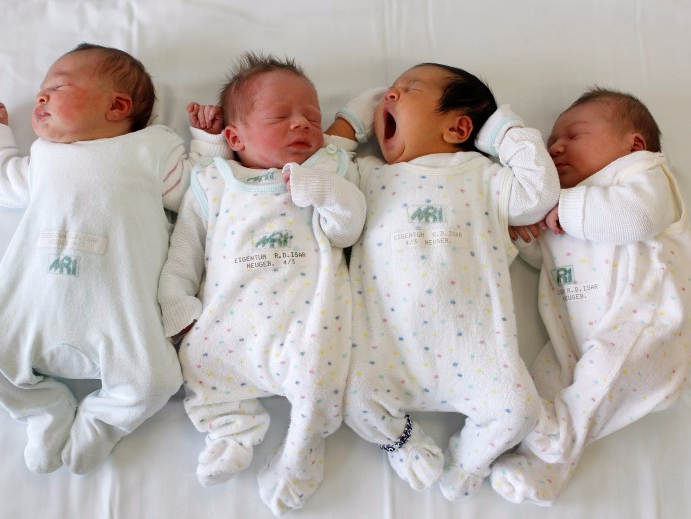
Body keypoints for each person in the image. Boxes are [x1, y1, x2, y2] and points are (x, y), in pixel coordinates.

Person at [326, 63, 560, 499]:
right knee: (349, 397)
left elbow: (540, 193)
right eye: (389, 91)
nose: (389, 95)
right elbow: (321, 175)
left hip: (474, 352)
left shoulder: (481, 175)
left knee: (520, 411)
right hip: (385, 350)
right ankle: (403, 443)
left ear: (458, 127)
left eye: (409, 89)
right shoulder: (369, 174)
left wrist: (502, 132)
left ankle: (470, 458)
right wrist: (348, 123)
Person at [0, 43, 229, 475]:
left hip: (118, 318)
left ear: (117, 105)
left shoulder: (150, 150)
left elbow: (202, 195)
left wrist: (209, 142)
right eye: (40, 91)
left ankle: (101, 421)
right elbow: (4, 180)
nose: (40, 98)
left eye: (57, 87)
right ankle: (44, 410)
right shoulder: (44, 159)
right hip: (31, 312)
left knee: (156, 381)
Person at [157, 52, 366, 517]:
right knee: (199, 366)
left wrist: (324, 192)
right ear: (234, 137)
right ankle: (231, 428)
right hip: (228, 321)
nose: (303, 125)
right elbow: (182, 257)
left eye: (312, 117)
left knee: (325, 381)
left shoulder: (328, 173)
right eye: (281, 117)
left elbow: (348, 229)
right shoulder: (213, 183)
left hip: (305, 326)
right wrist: (180, 312)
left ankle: (302, 452)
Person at [491, 88, 691, 505]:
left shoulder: (642, 176)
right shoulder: (565, 206)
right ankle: (541, 472)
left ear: (633, 144)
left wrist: (560, 209)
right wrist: (527, 234)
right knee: (541, 388)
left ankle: (554, 440)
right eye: (551, 141)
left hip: (647, 328)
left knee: (587, 390)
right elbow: (544, 255)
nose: (556, 146)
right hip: (574, 343)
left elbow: (635, 217)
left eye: (574, 135)